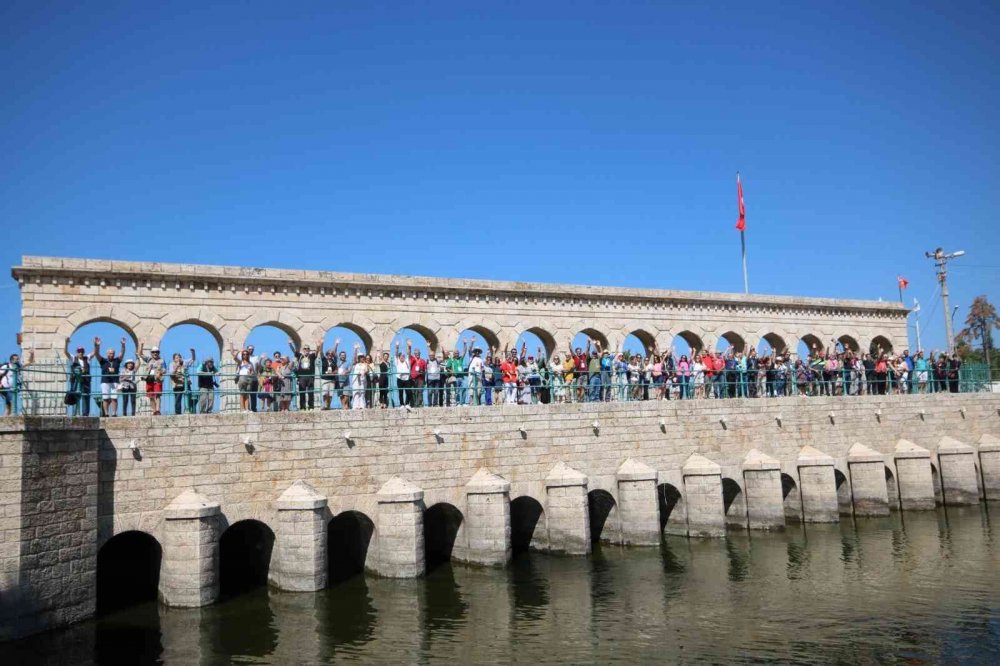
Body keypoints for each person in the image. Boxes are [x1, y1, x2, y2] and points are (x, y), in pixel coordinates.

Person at [93, 337, 126, 417]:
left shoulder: (117, 361)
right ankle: (106, 413)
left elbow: (122, 353)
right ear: (107, 354)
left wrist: (123, 345)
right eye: (109, 353)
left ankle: (114, 413)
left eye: (112, 353)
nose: (111, 354)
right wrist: (97, 346)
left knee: (114, 398)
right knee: (105, 398)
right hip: (105, 381)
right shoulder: (103, 361)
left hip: (115, 381)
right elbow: (96, 354)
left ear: (114, 354)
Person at [0, 349, 34, 416]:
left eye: (18, 359)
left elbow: (29, 362)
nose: (18, 360)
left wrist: (32, 354)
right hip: (4, 387)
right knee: (12, 401)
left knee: (8, 405)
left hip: (11, 388)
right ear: (11, 360)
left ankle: (5, 418)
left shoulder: (18, 366)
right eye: (16, 359)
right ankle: (13, 416)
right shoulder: (6, 366)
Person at [290, 339, 320, 411]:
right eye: (305, 348)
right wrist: (290, 344)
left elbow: (317, 352)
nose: (306, 350)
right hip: (301, 377)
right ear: (303, 350)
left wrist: (318, 346)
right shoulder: (300, 356)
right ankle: (302, 407)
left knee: (310, 392)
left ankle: (311, 407)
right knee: (302, 392)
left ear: (309, 350)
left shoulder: (312, 356)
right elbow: (294, 351)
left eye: (307, 348)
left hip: (310, 376)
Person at [137, 342, 166, 415]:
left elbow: (165, 369)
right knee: (150, 395)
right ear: (151, 353)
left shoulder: (162, 361)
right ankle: (154, 410)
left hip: (157, 379)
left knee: (158, 395)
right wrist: (142, 345)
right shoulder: (148, 359)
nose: (155, 353)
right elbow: (140, 354)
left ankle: (158, 410)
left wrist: (161, 372)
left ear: (158, 353)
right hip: (149, 378)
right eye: (153, 352)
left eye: (156, 352)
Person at [168, 349, 196, 415]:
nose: (179, 359)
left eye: (179, 357)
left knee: (189, 396)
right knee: (178, 399)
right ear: (174, 359)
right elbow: (171, 374)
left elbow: (193, 359)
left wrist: (193, 352)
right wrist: (177, 366)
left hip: (186, 383)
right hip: (177, 384)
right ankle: (178, 413)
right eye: (177, 358)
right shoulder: (171, 364)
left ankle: (189, 410)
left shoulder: (184, 362)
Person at [66, 345, 92, 416]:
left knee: (86, 396)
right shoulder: (73, 358)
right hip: (75, 380)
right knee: (75, 395)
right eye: (79, 351)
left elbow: (94, 352)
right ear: (77, 352)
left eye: (82, 351)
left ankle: (85, 414)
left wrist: (96, 345)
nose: (80, 353)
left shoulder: (87, 358)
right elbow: (65, 352)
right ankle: (75, 413)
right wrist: (66, 343)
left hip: (86, 380)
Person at [320, 340, 341, 410]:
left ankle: (328, 406)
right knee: (325, 393)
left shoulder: (334, 360)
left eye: (331, 354)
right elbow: (321, 352)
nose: (330, 355)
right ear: (326, 354)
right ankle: (325, 405)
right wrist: (321, 344)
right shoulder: (323, 359)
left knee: (330, 394)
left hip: (332, 379)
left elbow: (335, 352)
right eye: (328, 354)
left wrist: (336, 345)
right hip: (324, 379)